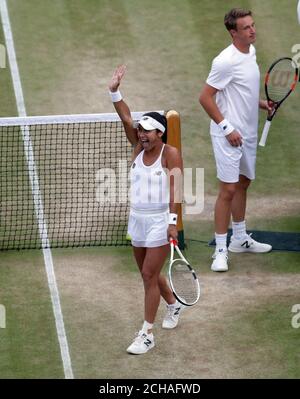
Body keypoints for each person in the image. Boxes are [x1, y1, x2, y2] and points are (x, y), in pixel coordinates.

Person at [108, 65, 185, 354]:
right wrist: (114, 90)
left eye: (147, 130)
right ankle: (174, 305)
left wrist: (172, 221)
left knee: (148, 275)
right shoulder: (138, 148)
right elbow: (125, 116)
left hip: (160, 221)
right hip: (137, 219)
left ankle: (147, 334)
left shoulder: (170, 154)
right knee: (146, 271)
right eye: (140, 130)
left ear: (160, 133)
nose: (140, 133)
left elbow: (177, 188)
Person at [199, 8, 273, 272]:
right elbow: (205, 97)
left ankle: (239, 239)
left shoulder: (250, 53)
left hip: (248, 133)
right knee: (228, 190)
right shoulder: (224, 61)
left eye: (253, 25)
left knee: (243, 183)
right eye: (246, 28)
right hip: (227, 134)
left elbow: (242, 91)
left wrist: (262, 104)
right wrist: (227, 127)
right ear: (233, 33)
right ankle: (220, 250)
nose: (252, 30)